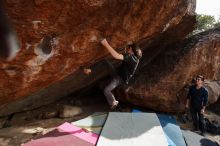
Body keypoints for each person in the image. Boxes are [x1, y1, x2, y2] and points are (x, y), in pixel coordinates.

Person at [101, 38, 142, 109]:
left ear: (131, 49)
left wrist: (105, 44)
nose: (126, 49)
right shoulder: (135, 59)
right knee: (105, 62)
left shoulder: (130, 57)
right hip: (117, 73)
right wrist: (128, 44)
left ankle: (113, 102)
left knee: (106, 90)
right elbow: (127, 51)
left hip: (120, 79)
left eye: (128, 48)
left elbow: (116, 56)